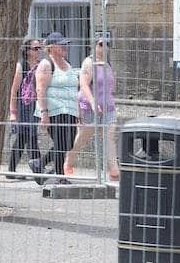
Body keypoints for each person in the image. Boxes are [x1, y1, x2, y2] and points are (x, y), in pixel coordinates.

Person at [65, 36, 120, 180]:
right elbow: (83, 84)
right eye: (101, 44)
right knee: (82, 138)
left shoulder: (107, 64)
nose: (105, 47)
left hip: (108, 107)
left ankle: (114, 170)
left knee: (110, 137)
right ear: (94, 46)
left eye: (107, 44)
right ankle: (68, 162)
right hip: (89, 107)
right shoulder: (89, 63)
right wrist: (93, 102)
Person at [34, 32, 79, 185]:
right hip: (54, 111)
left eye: (66, 44)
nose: (65, 47)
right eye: (62, 44)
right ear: (51, 48)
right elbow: (40, 89)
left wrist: (78, 110)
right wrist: (44, 113)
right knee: (60, 144)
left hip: (70, 111)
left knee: (68, 144)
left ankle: (40, 163)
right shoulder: (46, 64)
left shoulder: (68, 64)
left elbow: (73, 89)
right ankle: (60, 176)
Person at [7, 38, 43, 180]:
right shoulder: (21, 66)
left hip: (36, 105)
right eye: (35, 48)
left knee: (25, 138)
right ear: (27, 51)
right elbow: (14, 91)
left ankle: (13, 170)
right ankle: (38, 170)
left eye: (39, 48)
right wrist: (13, 113)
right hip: (24, 106)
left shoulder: (41, 65)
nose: (39, 51)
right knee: (27, 137)